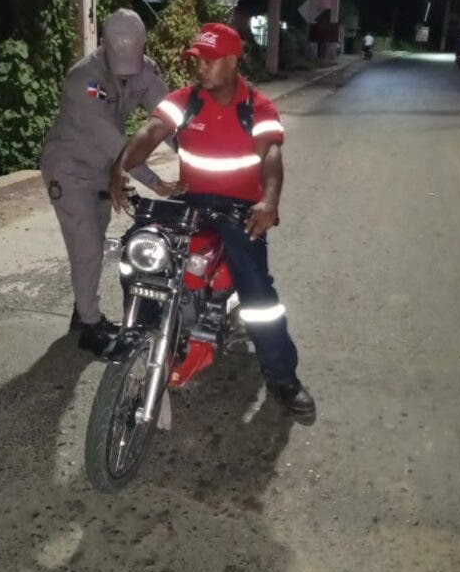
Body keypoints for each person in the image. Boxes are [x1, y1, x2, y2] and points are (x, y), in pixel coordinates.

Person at [109, 22, 316, 422]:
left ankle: (282, 376)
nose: (199, 67)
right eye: (195, 60)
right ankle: (149, 339)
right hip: (193, 201)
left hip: (240, 209)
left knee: (258, 296)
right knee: (138, 253)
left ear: (232, 61)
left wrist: (269, 200)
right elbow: (152, 131)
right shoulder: (184, 101)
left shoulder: (256, 107)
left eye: (208, 60)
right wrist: (121, 166)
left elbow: (271, 156)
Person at [40, 9, 180, 356]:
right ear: (103, 46)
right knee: (86, 244)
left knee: (93, 242)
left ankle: (82, 311)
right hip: (69, 169)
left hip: (103, 169)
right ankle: (90, 326)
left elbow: (168, 117)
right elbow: (118, 146)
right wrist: (155, 182)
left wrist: (195, 154)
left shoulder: (145, 71)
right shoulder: (83, 81)